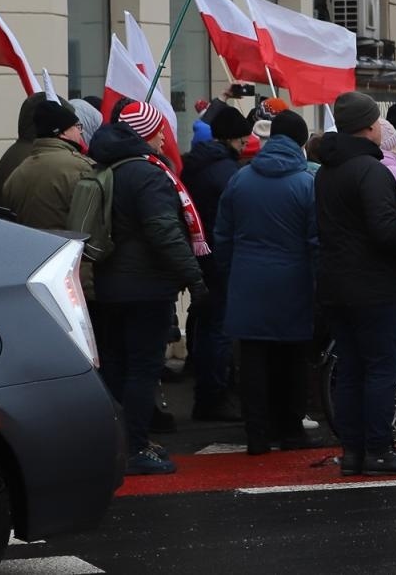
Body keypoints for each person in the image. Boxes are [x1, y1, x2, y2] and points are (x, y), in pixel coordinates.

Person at [89, 101, 211, 475]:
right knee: (143, 369)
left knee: (115, 366)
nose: (163, 137)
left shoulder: (107, 167)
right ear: (142, 134)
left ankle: (116, 442)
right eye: (158, 130)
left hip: (109, 283)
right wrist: (195, 277)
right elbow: (163, 231)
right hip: (146, 287)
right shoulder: (148, 175)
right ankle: (136, 447)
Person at [315, 91, 396, 475]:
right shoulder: (371, 171)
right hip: (373, 285)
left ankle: (353, 452)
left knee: (350, 369)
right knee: (381, 369)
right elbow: (384, 231)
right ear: (368, 126)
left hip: (335, 283)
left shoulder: (327, 170)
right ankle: (379, 449)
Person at [215, 109, 317, 454]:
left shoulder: (240, 179)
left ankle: (257, 434)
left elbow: (223, 236)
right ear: (301, 142)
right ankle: (291, 429)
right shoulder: (306, 183)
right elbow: (315, 241)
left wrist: (231, 273)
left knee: (253, 362)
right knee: (293, 360)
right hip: (293, 281)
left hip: (247, 281)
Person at [180, 104, 251, 423]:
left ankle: (207, 393)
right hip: (220, 259)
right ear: (232, 140)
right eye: (241, 142)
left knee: (207, 324)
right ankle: (213, 396)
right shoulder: (227, 174)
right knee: (219, 331)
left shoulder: (193, 165)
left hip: (200, 255)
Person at [3, 100, 93, 234]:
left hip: (28, 249)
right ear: (62, 132)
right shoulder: (80, 167)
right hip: (66, 250)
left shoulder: (18, 171)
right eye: (76, 126)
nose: (80, 132)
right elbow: (91, 219)